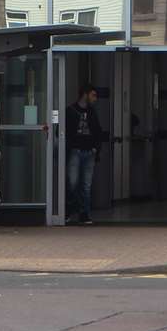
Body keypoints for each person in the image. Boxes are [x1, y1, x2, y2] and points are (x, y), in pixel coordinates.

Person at [65, 84, 103, 226]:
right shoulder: (71, 111)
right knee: (72, 182)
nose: (95, 98)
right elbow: (64, 132)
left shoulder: (92, 112)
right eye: (93, 95)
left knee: (86, 185)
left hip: (89, 152)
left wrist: (95, 148)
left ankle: (84, 213)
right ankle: (69, 210)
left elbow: (97, 132)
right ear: (85, 95)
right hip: (75, 151)